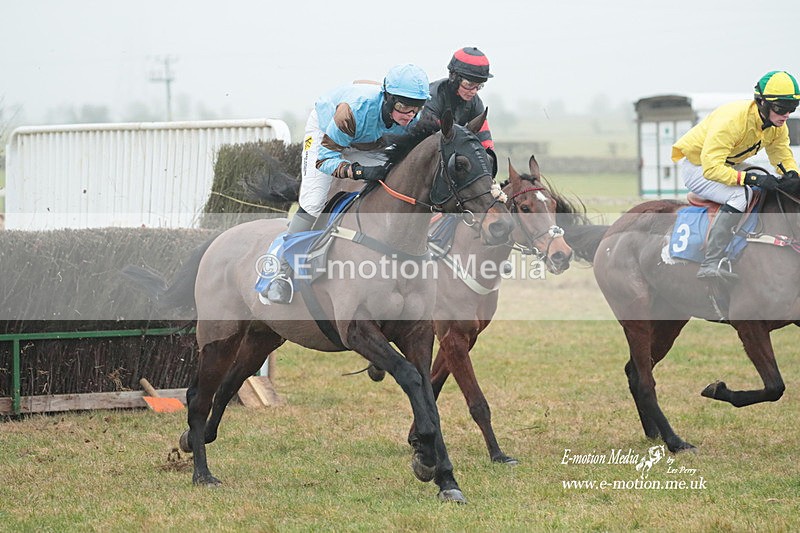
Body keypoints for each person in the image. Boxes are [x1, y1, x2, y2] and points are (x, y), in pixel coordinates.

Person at [262, 63, 431, 304]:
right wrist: (359, 170)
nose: (409, 115)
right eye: (403, 106)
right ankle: (280, 271)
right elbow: (325, 160)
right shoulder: (351, 112)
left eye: (416, 108)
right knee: (314, 200)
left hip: (368, 141)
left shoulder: (413, 117)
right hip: (326, 135)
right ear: (388, 98)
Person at [672, 70, 800, 281]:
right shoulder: (732, 121)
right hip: (698, 167)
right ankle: (710, 262)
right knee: (740, 195)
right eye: (781, 108)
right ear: (762, 103)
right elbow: (711, 168)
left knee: (773, 183)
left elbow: (781, 155)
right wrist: (751, 179)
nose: (786, 115)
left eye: (792, 109)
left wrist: (792, 175)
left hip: (729, 163)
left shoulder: (777, 126)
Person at [417, 46, 494, 151]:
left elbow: (484, 137)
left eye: (479, 86)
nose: (474, 91)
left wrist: (490, 157)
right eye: (469, 84)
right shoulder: (433, 96)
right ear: (454, 78)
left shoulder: (475, 101)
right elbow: (432, 140)